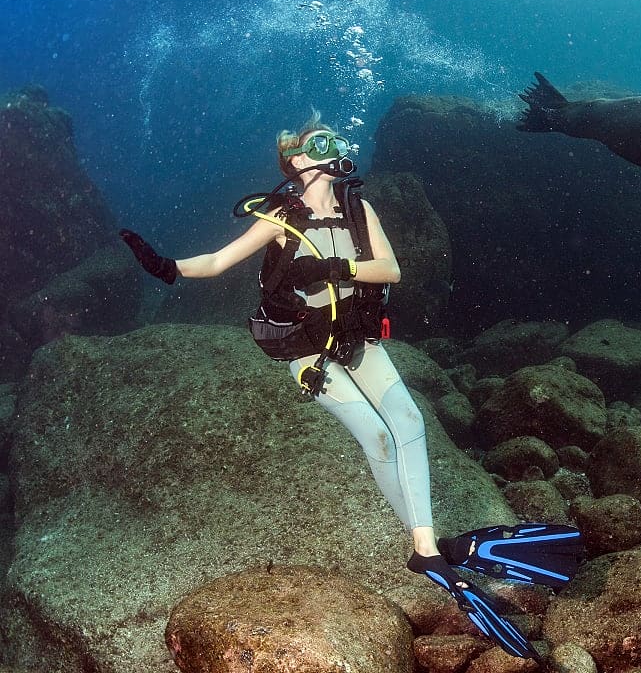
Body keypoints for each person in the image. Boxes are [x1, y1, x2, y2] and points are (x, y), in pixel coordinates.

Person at [120, 113, 583, 661]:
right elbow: (219, 260)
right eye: (322, 142)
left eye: (337, 140)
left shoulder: (358, 208)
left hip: (358, 341)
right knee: (378, 438)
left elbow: (390, 270)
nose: (336, 148)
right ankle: (427, 542)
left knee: (409, 424)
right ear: (296, 161)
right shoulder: (279, 216)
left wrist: (336, 268)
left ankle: (424, 544)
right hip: (306, 353)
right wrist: (167, 267)